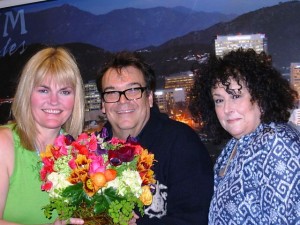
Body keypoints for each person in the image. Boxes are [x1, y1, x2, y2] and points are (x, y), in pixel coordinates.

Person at [96, 51, 214, 224]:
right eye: (112, 93)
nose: (122, 101)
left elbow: (196, 219)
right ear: (103, 105)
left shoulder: (181, 144)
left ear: (149, 98)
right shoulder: (91, 153)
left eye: (133, 90)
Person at [189, 48, 300, 225]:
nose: (226, 109)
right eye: (219, 100)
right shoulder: (236, 145)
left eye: (236, 95)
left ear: (260, 96)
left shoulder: (277, 144)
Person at [0, 47, 85, 225]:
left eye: (64, 91)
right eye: (44, 90)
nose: (54, 101)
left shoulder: (79, 154)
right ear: (27, 93)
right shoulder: (4, 145)